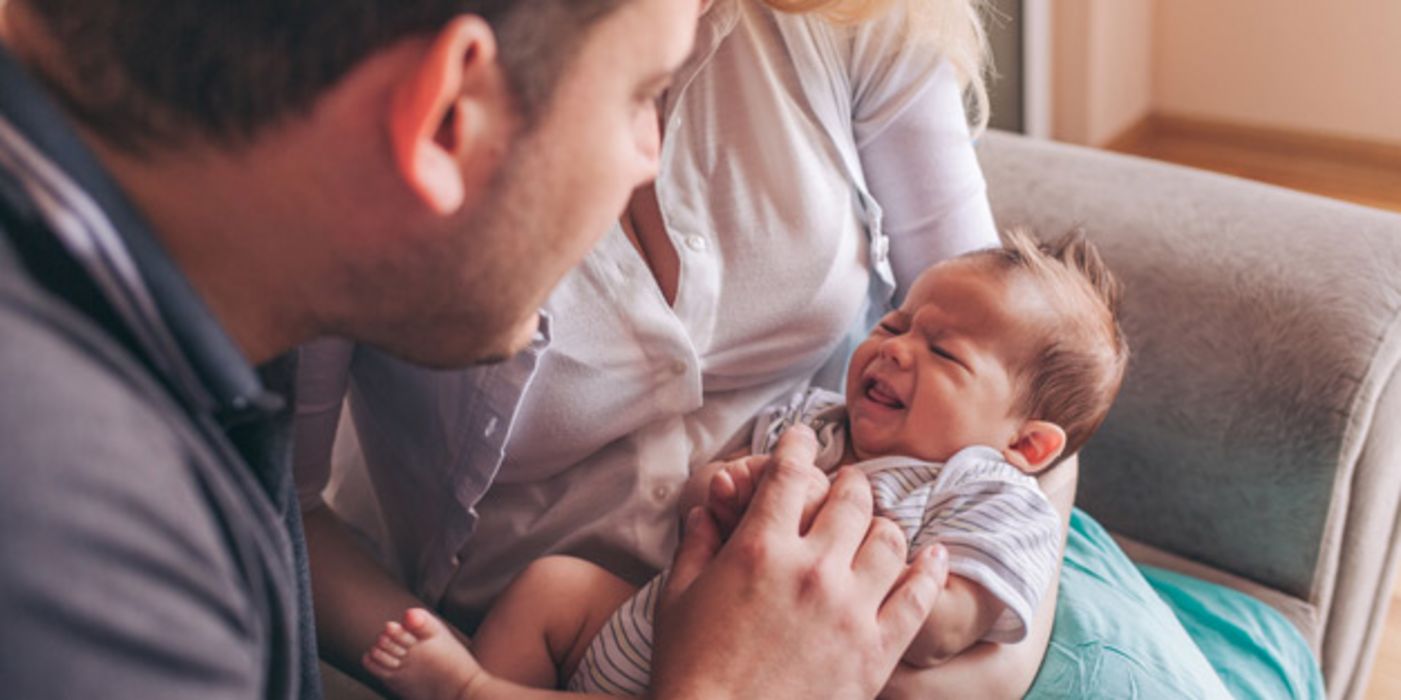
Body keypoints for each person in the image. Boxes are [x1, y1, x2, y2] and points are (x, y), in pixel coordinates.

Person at [0, 0, 946, 698]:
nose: (652, 159)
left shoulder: (174, 322)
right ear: (447, 116)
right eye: (643, 96)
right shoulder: (85, 565)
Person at [296, 0, 1067, 695]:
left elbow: (1015, 370)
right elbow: (281, 497)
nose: (647, 151)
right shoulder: (374, 90)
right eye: (897, 329)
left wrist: (962, 680)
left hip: (837, 632)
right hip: (545, 623)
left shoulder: (847, 20)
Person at [356, 229, 1129, 698]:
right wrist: (729, 489)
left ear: (1025, 445)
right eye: (895, 322)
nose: (894, 346)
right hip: (663, 623)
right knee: (551, 586)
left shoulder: (986, 489)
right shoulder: (812, 424)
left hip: (799, 674)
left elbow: (953, 624)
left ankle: (469, 691)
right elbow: (698, 506)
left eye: (942, 351)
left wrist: (844, 591)